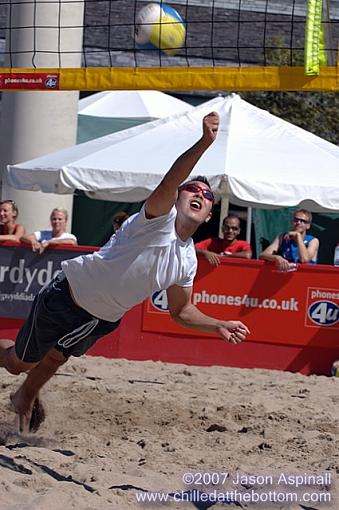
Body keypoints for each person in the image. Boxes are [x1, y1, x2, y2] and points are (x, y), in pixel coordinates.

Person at [0, 112, 250, 434]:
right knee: (18, 363)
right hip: (68, 295)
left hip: (102, 318)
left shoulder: (187, 260)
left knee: (56, 358)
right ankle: (21, 383)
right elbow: (170, 181)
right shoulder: (156, 219)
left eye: (206, 195)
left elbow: (182, 310)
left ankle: (24, 397)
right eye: (193, 190)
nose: (200, 194)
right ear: (178, 197)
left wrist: (218, 324)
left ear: (209, 215)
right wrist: (204, 143)